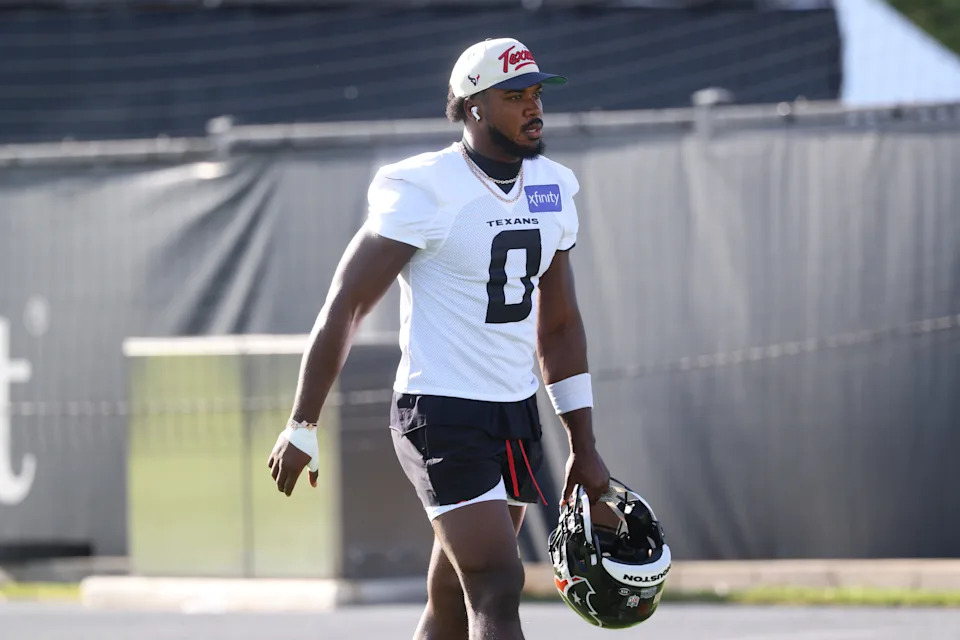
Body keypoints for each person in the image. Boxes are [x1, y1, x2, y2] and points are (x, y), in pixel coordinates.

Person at [267, 37, 611, 640]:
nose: (534, 108)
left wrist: (583, 443)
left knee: (452, 601)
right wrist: (302, 423)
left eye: (536, 94)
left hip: (514, 411)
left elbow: (557, 327)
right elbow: (346, 305)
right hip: (441, 412)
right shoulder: (425, 186)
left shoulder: (553, 185)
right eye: (515, 96)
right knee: (498, 586)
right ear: (474, 107)